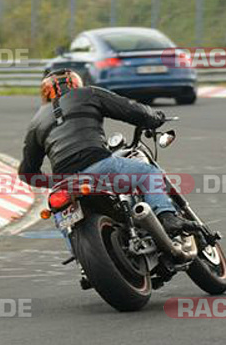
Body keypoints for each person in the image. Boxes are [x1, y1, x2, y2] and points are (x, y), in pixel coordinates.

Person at [18, 69, 197, 236]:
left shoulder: (35, 122)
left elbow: (26, 172)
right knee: (149, 173)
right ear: (76, 84)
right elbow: (129, 108)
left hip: (65, 181)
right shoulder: (88, 93)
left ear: (45, 93)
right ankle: (168, 217)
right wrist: (154, 118)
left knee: (62, 216)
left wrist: (55, 181)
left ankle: (80, 256)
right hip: (98, 165)